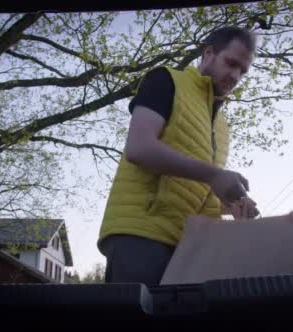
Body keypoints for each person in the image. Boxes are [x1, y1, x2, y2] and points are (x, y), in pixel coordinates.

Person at [97, 26, 260, 286]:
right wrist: (214, 174)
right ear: (208, 53)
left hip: (190, 248)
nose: (235, 75)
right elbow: (139, 148)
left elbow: (195, 188)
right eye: (231, 63)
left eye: (243, 70)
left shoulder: (221, 126)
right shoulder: (165, 80)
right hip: (141, 236)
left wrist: (230, 205)